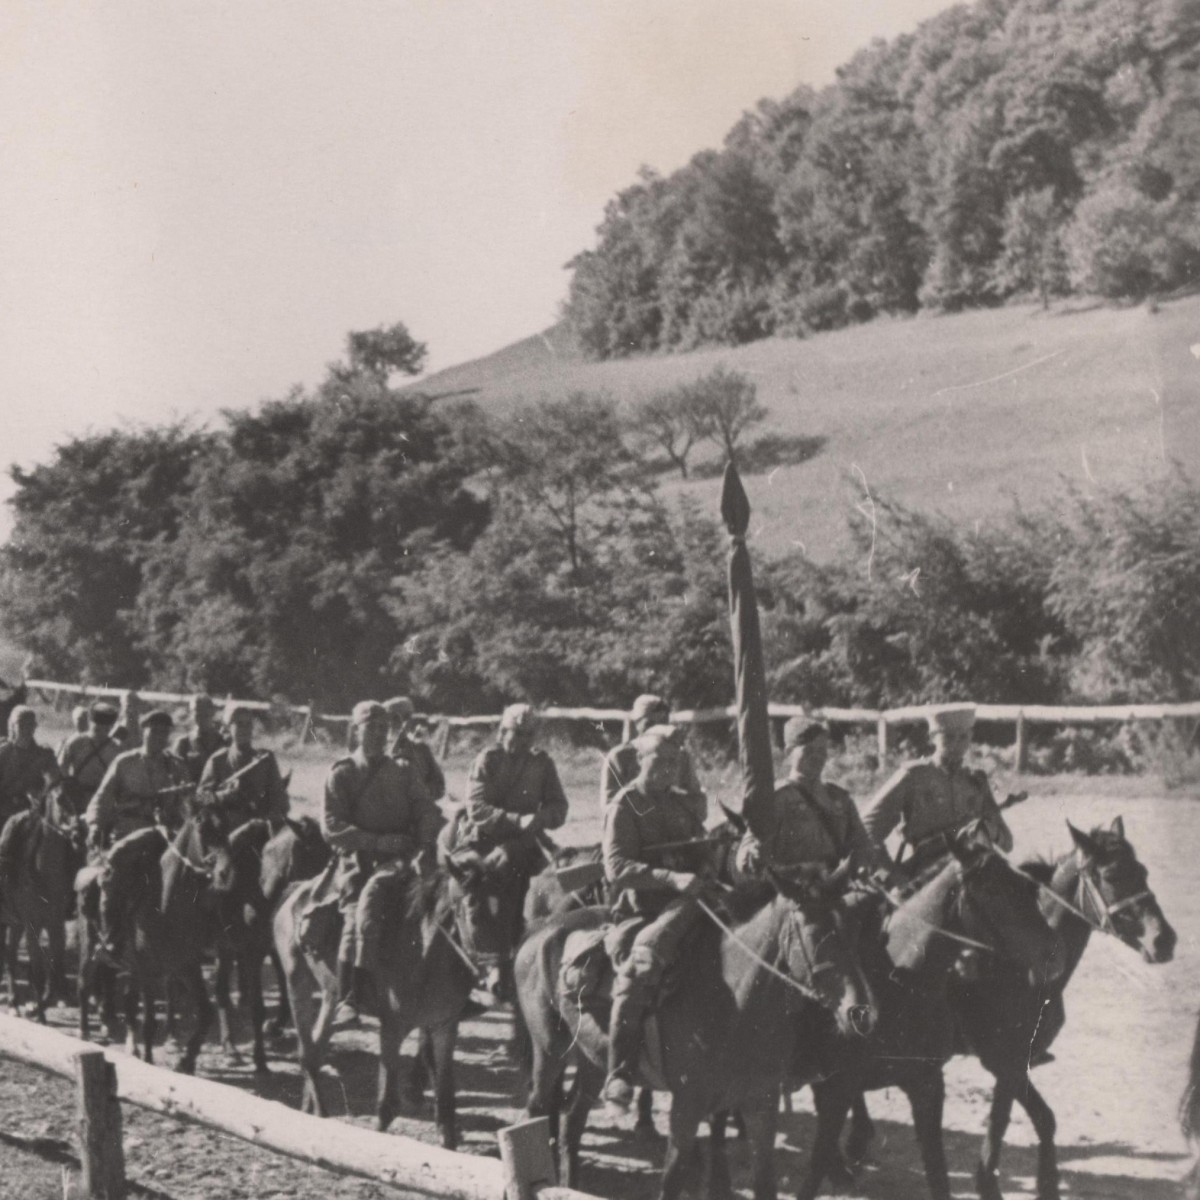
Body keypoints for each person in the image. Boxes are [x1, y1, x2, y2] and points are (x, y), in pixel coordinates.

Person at [601, 725, 713, 1112]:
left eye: (674, 763)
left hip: (690, 906)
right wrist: (670, 877)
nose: (668, 770)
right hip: (640, 911)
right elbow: (616, 867)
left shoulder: (682, 803)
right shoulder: (626, 804)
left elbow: (701, 847)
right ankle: (620, 1072)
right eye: (659, 761)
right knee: (639, 966)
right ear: (639, 761)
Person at [323, 701, 444, 1020]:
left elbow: (426, 809)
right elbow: (332, 827)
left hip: (403, 860)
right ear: (355, 730)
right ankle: (349, 996)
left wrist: (426, 839)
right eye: (370, 727)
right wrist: (375, 841)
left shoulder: (403, 771)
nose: (378, 734)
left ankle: (449, 989)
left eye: (383, 728)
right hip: (358, 862)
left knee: (444, 904)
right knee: (356, 916)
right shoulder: (343, 773)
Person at [462, 704, 568, 985]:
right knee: (485, 889)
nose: (521, 740)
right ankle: (491, 962)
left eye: (527, 735)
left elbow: (559, 807)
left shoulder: (542, 763)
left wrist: (540, 818)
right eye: (515, 733)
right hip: (486, 839)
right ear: (502, 732)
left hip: (527, 841)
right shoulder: (488, 760)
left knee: (557, 886)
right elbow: (477, 809)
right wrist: (515, 819)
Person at [85, 709, 193, 965]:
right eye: (153, 731)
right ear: (143, 732)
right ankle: (110, 937)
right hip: (129, 833)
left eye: (164, 733)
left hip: (166, 838)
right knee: (112, 878)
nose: (158, 737)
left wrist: (197, 799)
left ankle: (194, 939)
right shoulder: (125, 762)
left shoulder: (176, 765)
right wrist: (94, 826)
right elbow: (101, 799)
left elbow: (189, 804)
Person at [861, 704, 1014, 879]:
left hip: (975, 876)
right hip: (926, 876)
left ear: (971, 737)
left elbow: (1007, 843)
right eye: (948, 738)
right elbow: (866, 829)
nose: (956, 745)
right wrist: (893, 873)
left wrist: (990, 831)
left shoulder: (975, 782)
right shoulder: (914, 777)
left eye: (963, 737)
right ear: (932, 738)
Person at [735, 717, 883, 880]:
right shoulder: (778, 798)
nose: (817, 756)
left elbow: (862, 846)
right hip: (793, 890)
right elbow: (744, 856)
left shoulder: (839, 799)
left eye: (822, 750)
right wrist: (753, 856)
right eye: (809, 750)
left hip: (836, 885)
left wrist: (865, 862)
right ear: (789, 753)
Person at [600, 693, 706, 819]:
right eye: (649, 724)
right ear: (636, 724)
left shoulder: (680, 756)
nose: (656, 729)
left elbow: (698, 804)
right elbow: (609, 808)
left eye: (662, 723)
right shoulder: (619, 757)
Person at [198, 703, 290, 831]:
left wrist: (268, 820)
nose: (244, 729)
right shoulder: (218, 760)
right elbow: (200, 798)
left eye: (248, 724)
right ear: (228, 727)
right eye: (239, 724)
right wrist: (224, 795)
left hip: (260, 828)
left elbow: (280, 800)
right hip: (227, 831)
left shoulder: (265, 760)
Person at [0, 706, 61, 829]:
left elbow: (55, 781)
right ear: (12, 726)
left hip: (32, 811)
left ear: (35, 727)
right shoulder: (3, 752)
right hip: (3, 810)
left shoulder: (44, 754)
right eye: (22, 724)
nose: (26, 729)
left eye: (30, 724)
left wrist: (40, 793)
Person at [57, 701, 121, 809]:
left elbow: (119, 775)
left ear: (110, 728)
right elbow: (62, 765)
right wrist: (69, 785)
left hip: (102, 798)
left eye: (105, 729)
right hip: (77, 796)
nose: (101, 733)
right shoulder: (76, 742)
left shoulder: (115, 748)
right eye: (96, 729)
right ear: (90, 723)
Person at [384, 696, 446, 800]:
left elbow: (438, 786)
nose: (405, 723)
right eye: (395, 719)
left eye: (407, 718)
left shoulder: (421, 749)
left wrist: (420, 794)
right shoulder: (379, 749)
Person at [174, 694, 228, 784]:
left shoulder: (223, 741)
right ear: (191, 714)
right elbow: (176, 775)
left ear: (212, 712)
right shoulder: (183, 743)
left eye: (205, 714)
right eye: (197, 713)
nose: (201, 718)